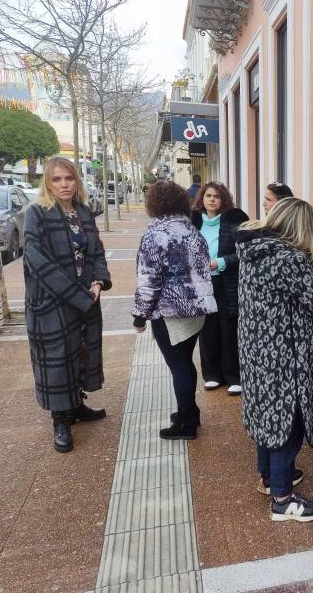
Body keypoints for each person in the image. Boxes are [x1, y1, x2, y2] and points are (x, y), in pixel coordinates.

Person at [236, 197, 313, 522]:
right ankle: (283, 499)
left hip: (258, 350)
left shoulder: (254, 251)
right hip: (285, 354)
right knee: (287, 423)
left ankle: (269, 478)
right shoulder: (289, 259)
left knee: (268, 415)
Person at [24, 156, 112, 453]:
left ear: (77, 181)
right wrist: (77, 294)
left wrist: (99, 281)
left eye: (69, 179)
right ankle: (60, 420)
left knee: (82, 352)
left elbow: (97, 252)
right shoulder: (37, 213)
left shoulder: (84, 212)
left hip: (86, 297)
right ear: (47, 183)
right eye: (57, 179)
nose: (64, 184)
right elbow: (35, 260)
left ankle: (75, 405)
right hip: (52, 302)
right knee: (58, 361)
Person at [132, 181, 217, 440]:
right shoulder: (193, 231)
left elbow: (149, 279)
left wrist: (140, 315)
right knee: (185, 362)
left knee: (178, 365)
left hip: (170, 312)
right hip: (197, 309)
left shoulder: (155, 234)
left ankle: (187, 423)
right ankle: (189, 413)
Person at [191, 182, 249, 394]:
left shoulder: (235, 220)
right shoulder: (194, 221)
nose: (212, 199)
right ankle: (212, 374)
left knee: (229, 329)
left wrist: (221, 262)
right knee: (207, 330)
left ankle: (234, 376)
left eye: (216, 196)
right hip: (202, 283)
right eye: (208, 196)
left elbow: (244, 252)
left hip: (227, 282)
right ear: (202, 198)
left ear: (223, 199)